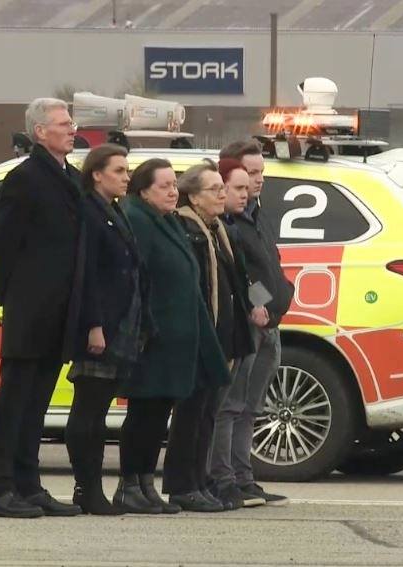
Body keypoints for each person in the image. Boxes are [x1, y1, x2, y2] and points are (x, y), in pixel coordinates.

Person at [0, 98, 83, 518]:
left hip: (59, 311)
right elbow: (1, 245)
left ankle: (29, 485)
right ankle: (2, 490)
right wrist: (11, 298)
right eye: (62, 123)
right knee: (14, 404)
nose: (71, 128)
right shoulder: (24, 179)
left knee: (37, 405)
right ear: (40, 132)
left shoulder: (71, 178)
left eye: (70, 121)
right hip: (30, 309)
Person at [116, 158, 231, 514]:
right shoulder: (136, 219)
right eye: (163, 185)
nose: (172, 191)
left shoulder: (165, 220)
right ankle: (129, 485)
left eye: (173, 184)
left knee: (157, 413)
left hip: (178, 335)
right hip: (153, 335)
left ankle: (146, 484)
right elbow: (138, 278)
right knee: (144, 412)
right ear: (143, 190)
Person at [158, 160, 248, 512]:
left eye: (222, 188)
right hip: (199, 337)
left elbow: (238, 281)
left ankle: (200, 479)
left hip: (222, 338)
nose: (222, 193)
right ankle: (183, 484)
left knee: (208, 411)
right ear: (193, 198)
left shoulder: (218, 230)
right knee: (191, 413)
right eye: (215, 189)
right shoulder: (187, 230)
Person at [208, 141, 293, 507]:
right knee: (231, 404)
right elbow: (239, 274)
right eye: (249, 176)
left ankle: (244, 477)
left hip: (269, 324)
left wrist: (284, 293)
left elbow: (270, 264)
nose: (257, 182)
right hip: (248, 324)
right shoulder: (229, 224)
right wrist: (260, 304)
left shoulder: (256, 215)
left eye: (260, 174)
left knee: (251, 407)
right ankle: (224, 477)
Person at [64, 144, 143, 516]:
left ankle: (93, 488)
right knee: (88, 412)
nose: (127, 177)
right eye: (119, 170)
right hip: (99, 325)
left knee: (99, 412)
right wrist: (94, 325)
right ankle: (87, 488)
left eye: (127, 170)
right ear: (97, 174)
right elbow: (89, 274)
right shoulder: (89, 212)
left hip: (119, 322)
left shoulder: (113, 211)